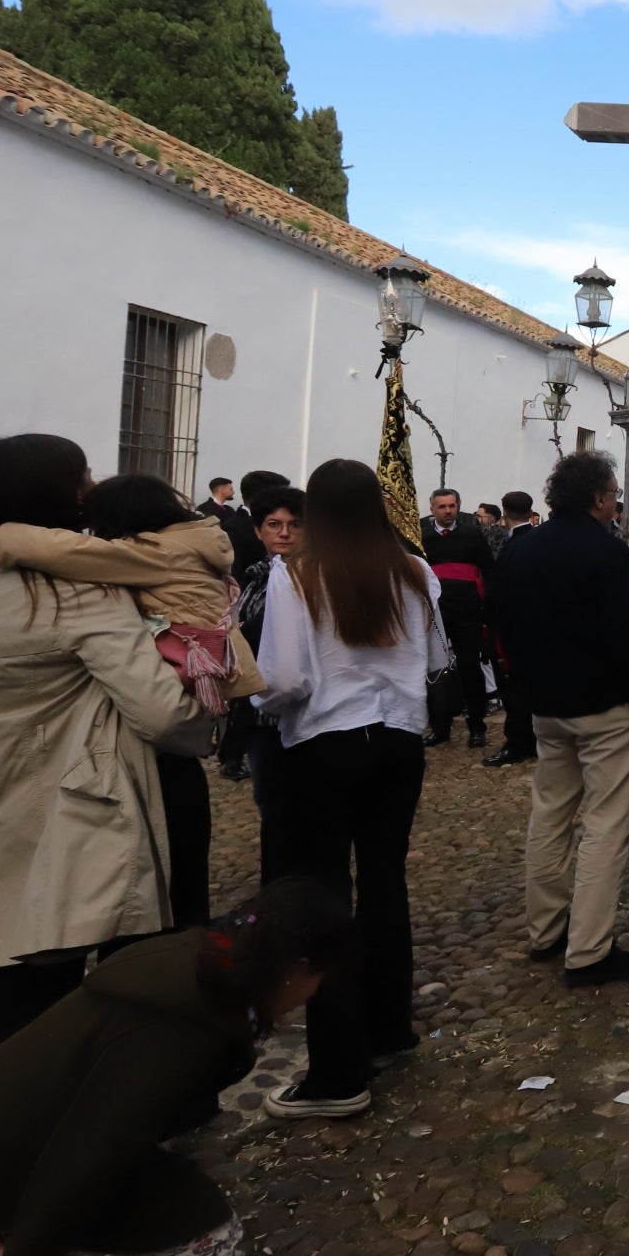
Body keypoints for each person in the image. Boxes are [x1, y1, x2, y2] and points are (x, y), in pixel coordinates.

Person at [0, 880, 353, 1256]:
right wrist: (25, 1252)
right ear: (297, 968)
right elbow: (94, 1145)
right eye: (317, 982)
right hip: (21, 1142)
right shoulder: (188, 1025)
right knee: (206, 1238)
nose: (309, 997)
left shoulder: (199, 958)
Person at [0, 434, 214, 1056]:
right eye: (80, 480)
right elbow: (161, 713)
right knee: (141, 974)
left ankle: (8, 1122)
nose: (89, 492)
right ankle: (125, 1126)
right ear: (57, 495)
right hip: (97, 799)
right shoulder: (79, 589)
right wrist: (207, 724)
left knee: (21, 980)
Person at [253, 458, 450, 1117]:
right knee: (385, 883)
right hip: (397, 742)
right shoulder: (414, 572)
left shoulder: (297, 574)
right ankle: (390, 1026)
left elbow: (284, 678)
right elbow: (437, 658)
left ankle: (338, 1072)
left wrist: (259, 711)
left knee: (323, 901)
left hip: (324, 746)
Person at [0, 472, 271, 932]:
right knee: (184, 881)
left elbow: (77, 554)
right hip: (203, 665)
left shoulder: (157, 551)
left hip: (181, 667)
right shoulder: (195, 537)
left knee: (166, 882)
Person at [488, 452, 629, 989]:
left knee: (551, 816)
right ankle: (589, 949)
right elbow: (627, 638)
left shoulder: (524, 550)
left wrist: (524, 688)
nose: (616, 502)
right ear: (596, 498)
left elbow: (501, 625)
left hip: (547, 705)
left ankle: (546, 931)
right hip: (606, 709)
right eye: (612, 494)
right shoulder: (607, 553)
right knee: (608, 825)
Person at [219, 485, 303, 804]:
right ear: (258, 530)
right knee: (269, 801)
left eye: (294, 524)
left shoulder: (315, 580)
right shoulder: (253, 579)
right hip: (255, 711)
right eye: (274, 524)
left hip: (299, 711)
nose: (284, 533)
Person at [420, 487, 494, 751]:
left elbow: (488, 570)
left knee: (470, 667)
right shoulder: (422, 536)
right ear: (432, 509)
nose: (448, 511)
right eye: (442, 507)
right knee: (436, 669)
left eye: (452, 506)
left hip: (466, 610)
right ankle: (440, 726)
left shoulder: (472, 534)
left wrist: (486, 607)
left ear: (458, 506)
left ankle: (477, 727)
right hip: (436, 612)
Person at [483, 491, 542, 768]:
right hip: (537, 624)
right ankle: (533, 737)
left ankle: (518, 741)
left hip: (513, 627)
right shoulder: (541, 540)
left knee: (515, 689)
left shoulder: (512, 547)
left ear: (504, 512)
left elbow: (498, 590)